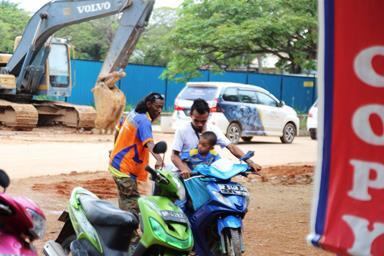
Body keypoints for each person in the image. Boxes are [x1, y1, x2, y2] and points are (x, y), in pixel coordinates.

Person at [172, 98, 262, 179]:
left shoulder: (213, 129)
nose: (199, 124)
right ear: (191, 115)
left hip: (208, 175)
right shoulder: (182, 130)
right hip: (186, 174)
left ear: (208, 117)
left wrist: (250, 162)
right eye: (196, 120)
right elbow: (174, 156)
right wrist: (184, 169)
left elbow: (231, 147)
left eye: (203, 121)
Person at [109, 92, 164, 215]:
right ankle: (130, 233)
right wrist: (159, 160)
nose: (159, 110)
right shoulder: (144, 121)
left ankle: (124, 228)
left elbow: (117, 130)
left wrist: (115, 149)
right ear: (149, 104)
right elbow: (149, 143)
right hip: (125, 168)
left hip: (117, 163)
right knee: (132, 204)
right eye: (157, 107)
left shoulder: (133, 113)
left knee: (125, 199)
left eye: (161, 107)